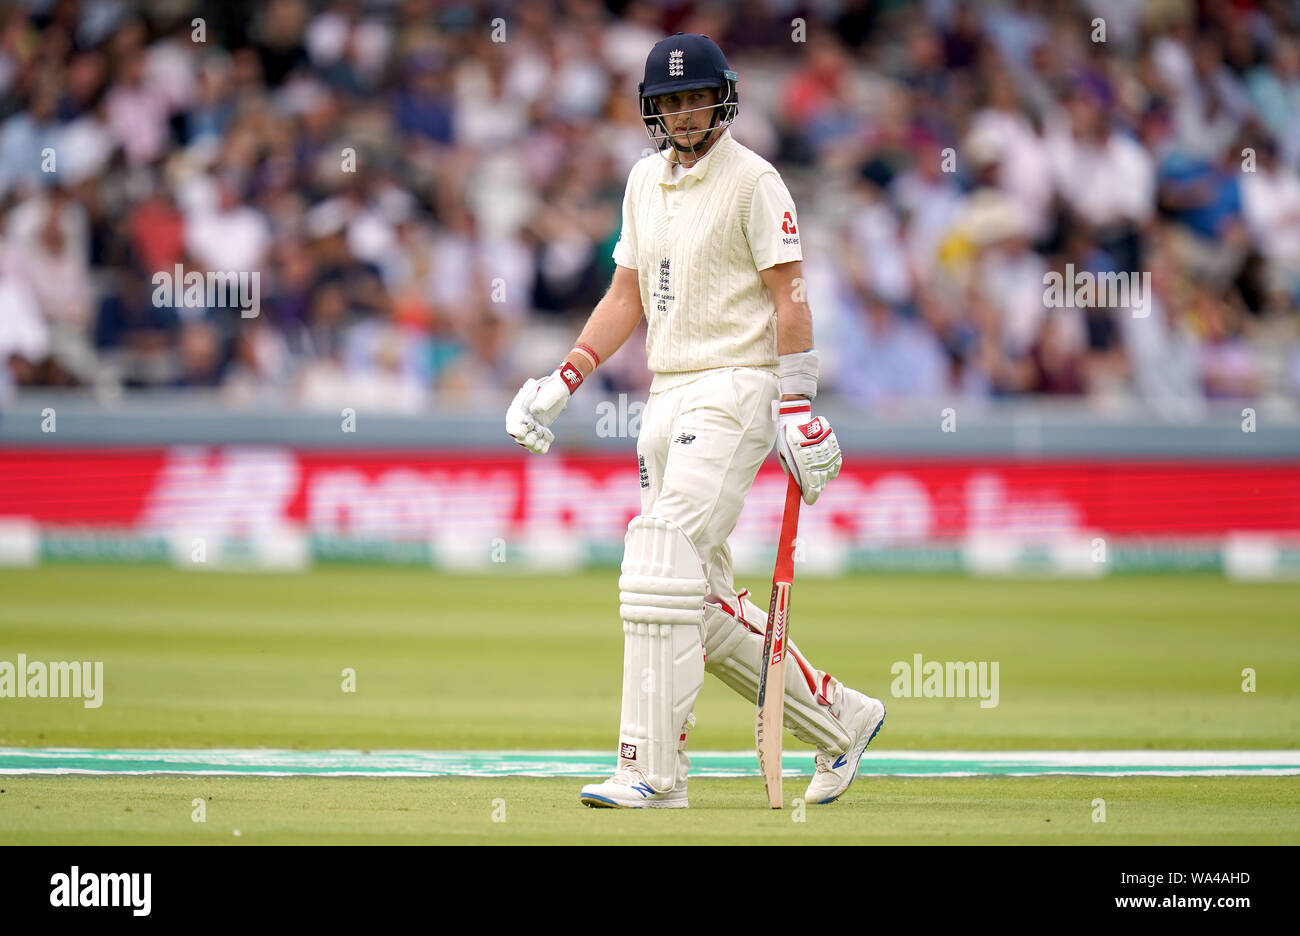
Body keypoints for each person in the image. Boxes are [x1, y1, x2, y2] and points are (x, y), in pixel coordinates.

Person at [505, 33, 885, 808]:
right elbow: (625, 298)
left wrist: (798, 405)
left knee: (658, 558)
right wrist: (564, 377)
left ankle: (652, 770)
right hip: (665, 392)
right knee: (696, 603)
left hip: (736, 386)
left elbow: (791, 296)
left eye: (696, 98)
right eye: (670, 102)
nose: (684, 115)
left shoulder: (755, 181)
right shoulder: (645, 180)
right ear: (652, 110)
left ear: (725, 98)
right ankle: (841, 719)